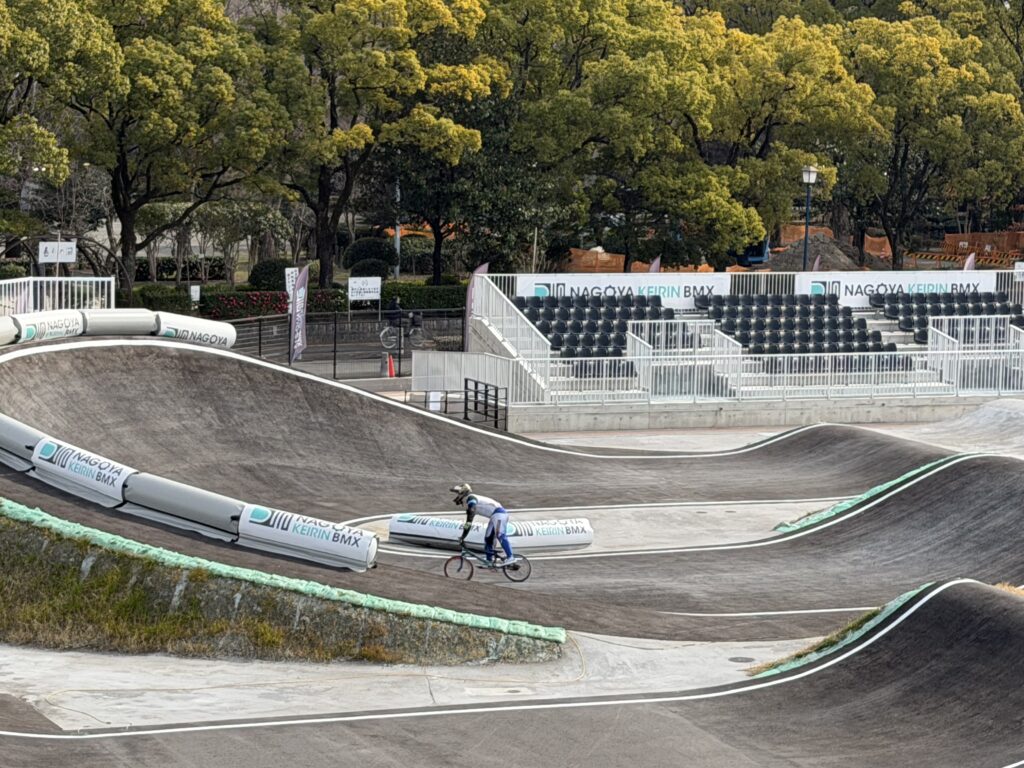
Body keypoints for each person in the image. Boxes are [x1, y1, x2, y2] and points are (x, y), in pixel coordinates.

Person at [450, 483, 516, 565]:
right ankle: (489, 561)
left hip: (499, 514)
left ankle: (510, 557)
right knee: (488, 538)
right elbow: (468, 523)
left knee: (500, 535)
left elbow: (470, 514)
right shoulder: (470, 504)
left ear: (462, 493)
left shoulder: (471, 498)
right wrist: (463, 536)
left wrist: (463, 536)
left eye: (458, 493)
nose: (457, 496)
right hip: (495, 516)